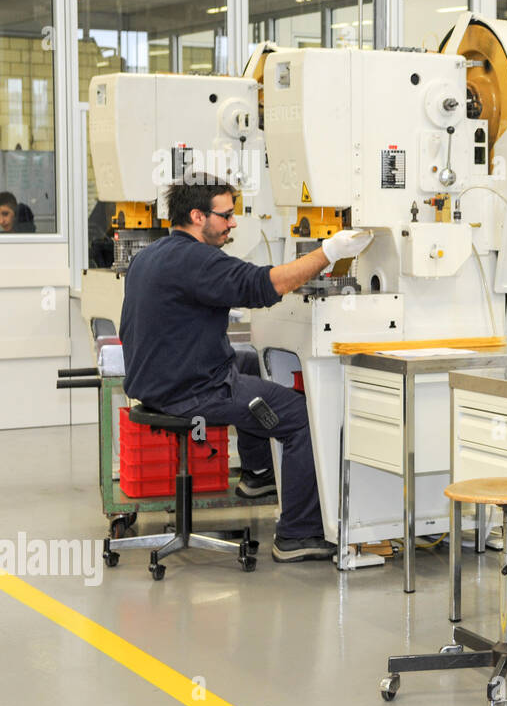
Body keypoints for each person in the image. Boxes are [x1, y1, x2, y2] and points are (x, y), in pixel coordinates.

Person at [119, 177, 373, 563]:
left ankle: (257, 474)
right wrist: (328, 251)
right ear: (196, 216)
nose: (233, 223)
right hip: (193, 392)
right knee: (302, 418)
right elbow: (265, 285)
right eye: (226, 216)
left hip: (155, 381)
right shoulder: (198, 259)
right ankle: (297, 535)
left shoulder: (152, 255)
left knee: (251, 361)